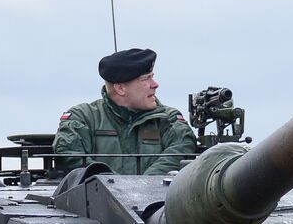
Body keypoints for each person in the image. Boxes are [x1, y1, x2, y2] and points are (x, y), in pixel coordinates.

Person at [52, 48, 197, 176]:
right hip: (96, 203)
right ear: (120, 89)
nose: (155, 84)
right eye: (146, 79)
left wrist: (144, 186)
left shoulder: (168, 120)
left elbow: (181, 151)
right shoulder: (83, 118)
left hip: (158, 205)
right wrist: (114, 186)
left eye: (152, 77)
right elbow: (71, 155)